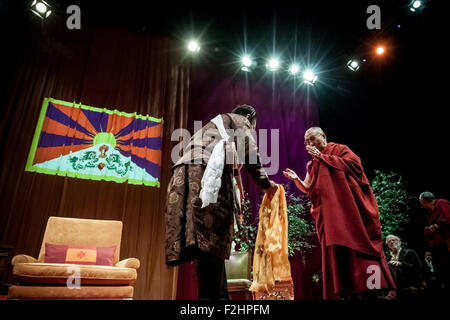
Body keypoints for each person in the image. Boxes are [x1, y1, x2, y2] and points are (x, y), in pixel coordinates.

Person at [165, 104, 278, 299]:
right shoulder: (238, 120)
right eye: (253, 127)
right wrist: (266, 184)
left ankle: (221, 297)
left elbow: (235, 168)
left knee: (205, 248)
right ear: (250, 118)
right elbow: (249, 151)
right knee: (212, 241)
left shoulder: (213, 130)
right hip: (202, 174)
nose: (251, 130)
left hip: (181, 177)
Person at [283, 127, 395, 300]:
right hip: (330, 217)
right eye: (306, 142)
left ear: (323, 136)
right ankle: (346, 292)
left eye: (312, 139)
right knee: (337, 252)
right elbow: (307, 187)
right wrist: (296, 179)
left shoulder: (340, 150)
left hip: (348, 212)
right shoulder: (311, 164)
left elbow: (356, 165)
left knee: (356, 247)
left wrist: (322, 157)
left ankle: (371, 290)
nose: (309, 144)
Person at [419, 191, 450, 296]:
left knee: (446, 267)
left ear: (425, 200)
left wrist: (436, 226)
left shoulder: (441, 203)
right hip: (437, 246)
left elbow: (447, 218)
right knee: (439, 269)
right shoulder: (429, 214)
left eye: (421, 203)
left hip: (447, 242)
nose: (422, 206)